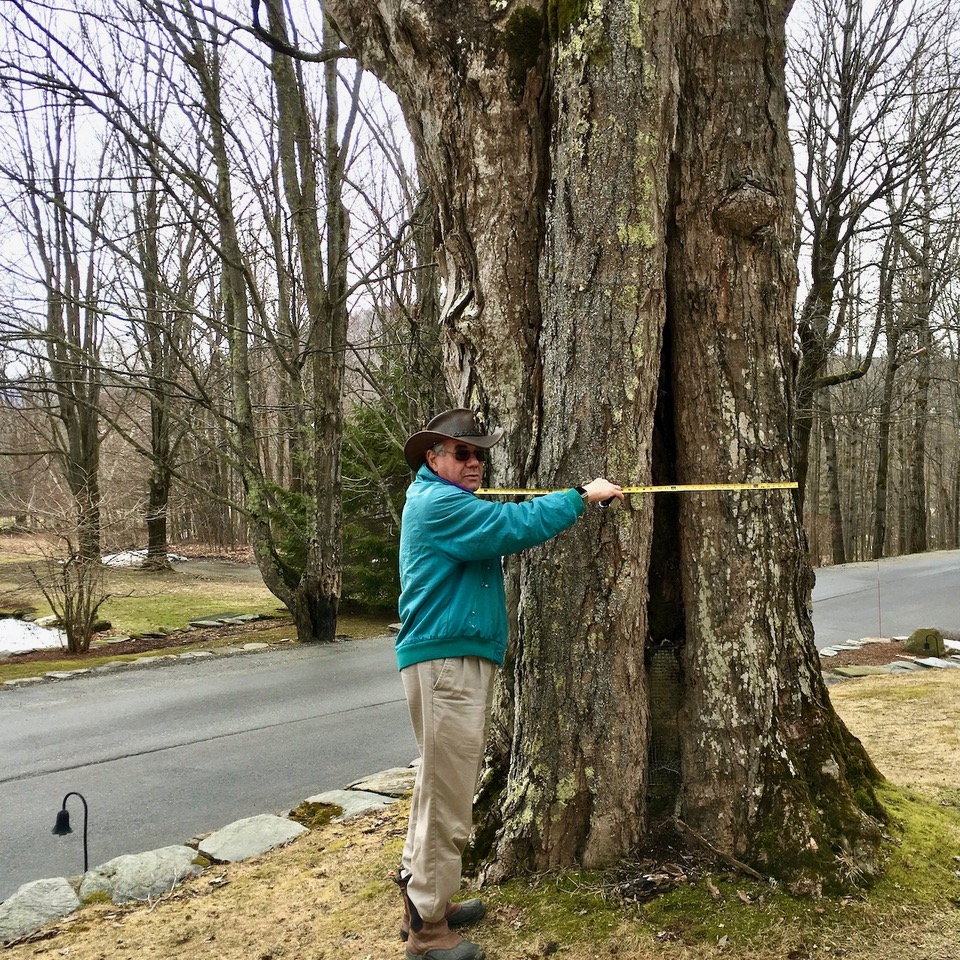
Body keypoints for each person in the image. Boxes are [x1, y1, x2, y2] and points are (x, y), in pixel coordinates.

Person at [394, 408, 624, 960]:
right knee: (448, 794)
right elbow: (511, 528)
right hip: (447, 661)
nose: (474, 463)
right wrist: (579, 496)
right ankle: (427, 932)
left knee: (435, 785)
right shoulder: (440, 504)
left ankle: (427, 900)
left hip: (447, 657)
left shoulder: (443, 500)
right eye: (461, 453)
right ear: (434, 457)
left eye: (479, 454)